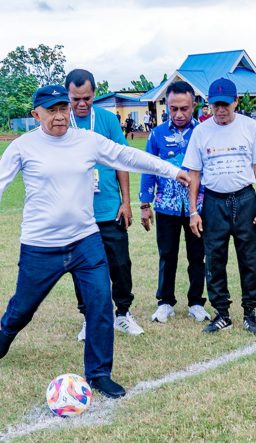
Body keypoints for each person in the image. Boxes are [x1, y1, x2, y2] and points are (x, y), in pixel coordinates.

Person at [0, 84, 190, 399]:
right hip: (40, 246)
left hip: (85, 242)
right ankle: (3, 338)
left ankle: (100, 374)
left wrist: (172, 170)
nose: (59, 116)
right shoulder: (22, 147)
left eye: (63, 109)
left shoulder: (86, 141)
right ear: (37, 115)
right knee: (22, 309)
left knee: (100, 304)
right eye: (52, 111)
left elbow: (125, 156)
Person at [184, 77, 256, 333]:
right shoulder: (201, 132)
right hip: (214, 202)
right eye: (215, 105)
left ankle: (250, 313)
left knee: (249, 258)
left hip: (245, 200)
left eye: (225, 105)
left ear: (235, 102)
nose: (220, 110)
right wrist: (193, 211)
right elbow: (194, 174)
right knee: (214, 259)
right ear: (208, 104)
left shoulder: (250, 127)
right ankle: (222, 313)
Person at [65, 69, 143, 340]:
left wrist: (126, 202)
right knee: (82, 267)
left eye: (86, 97)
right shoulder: (62, 122)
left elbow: (121, 161)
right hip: (77, 213)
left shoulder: (108, 121)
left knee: (120, 264)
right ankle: (90, 318)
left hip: (110, 208)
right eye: (76, 99)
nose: (82, 104)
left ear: (94, 93)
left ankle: (122, 313)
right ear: (68, 96)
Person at [140, 81, 211, 324]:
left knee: (197, 256)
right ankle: (165, 302)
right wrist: (145, 204)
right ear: (167, 106)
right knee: (167, 254)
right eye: (173, 109)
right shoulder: (157, 134)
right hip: (166, 207)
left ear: (195, 105)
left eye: (185, 108)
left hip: (198, 208)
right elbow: (148, 169)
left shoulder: (204, 131)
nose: (179, 114)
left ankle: (196, 302)